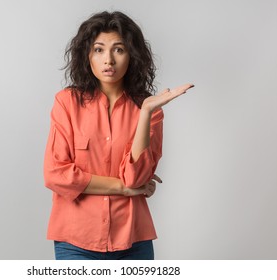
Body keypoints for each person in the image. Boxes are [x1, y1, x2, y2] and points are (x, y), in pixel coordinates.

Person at [43, 11, 194, 260]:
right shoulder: (66, 103)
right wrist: (122, 188)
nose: (109, 60)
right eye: (99, 50)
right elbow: (55, 174)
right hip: (76, 241)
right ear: (87, 56)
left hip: (133, 240)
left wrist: (145, 113)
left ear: (132, 56)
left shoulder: (151, 109)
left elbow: (135, 178)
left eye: (119, 50)